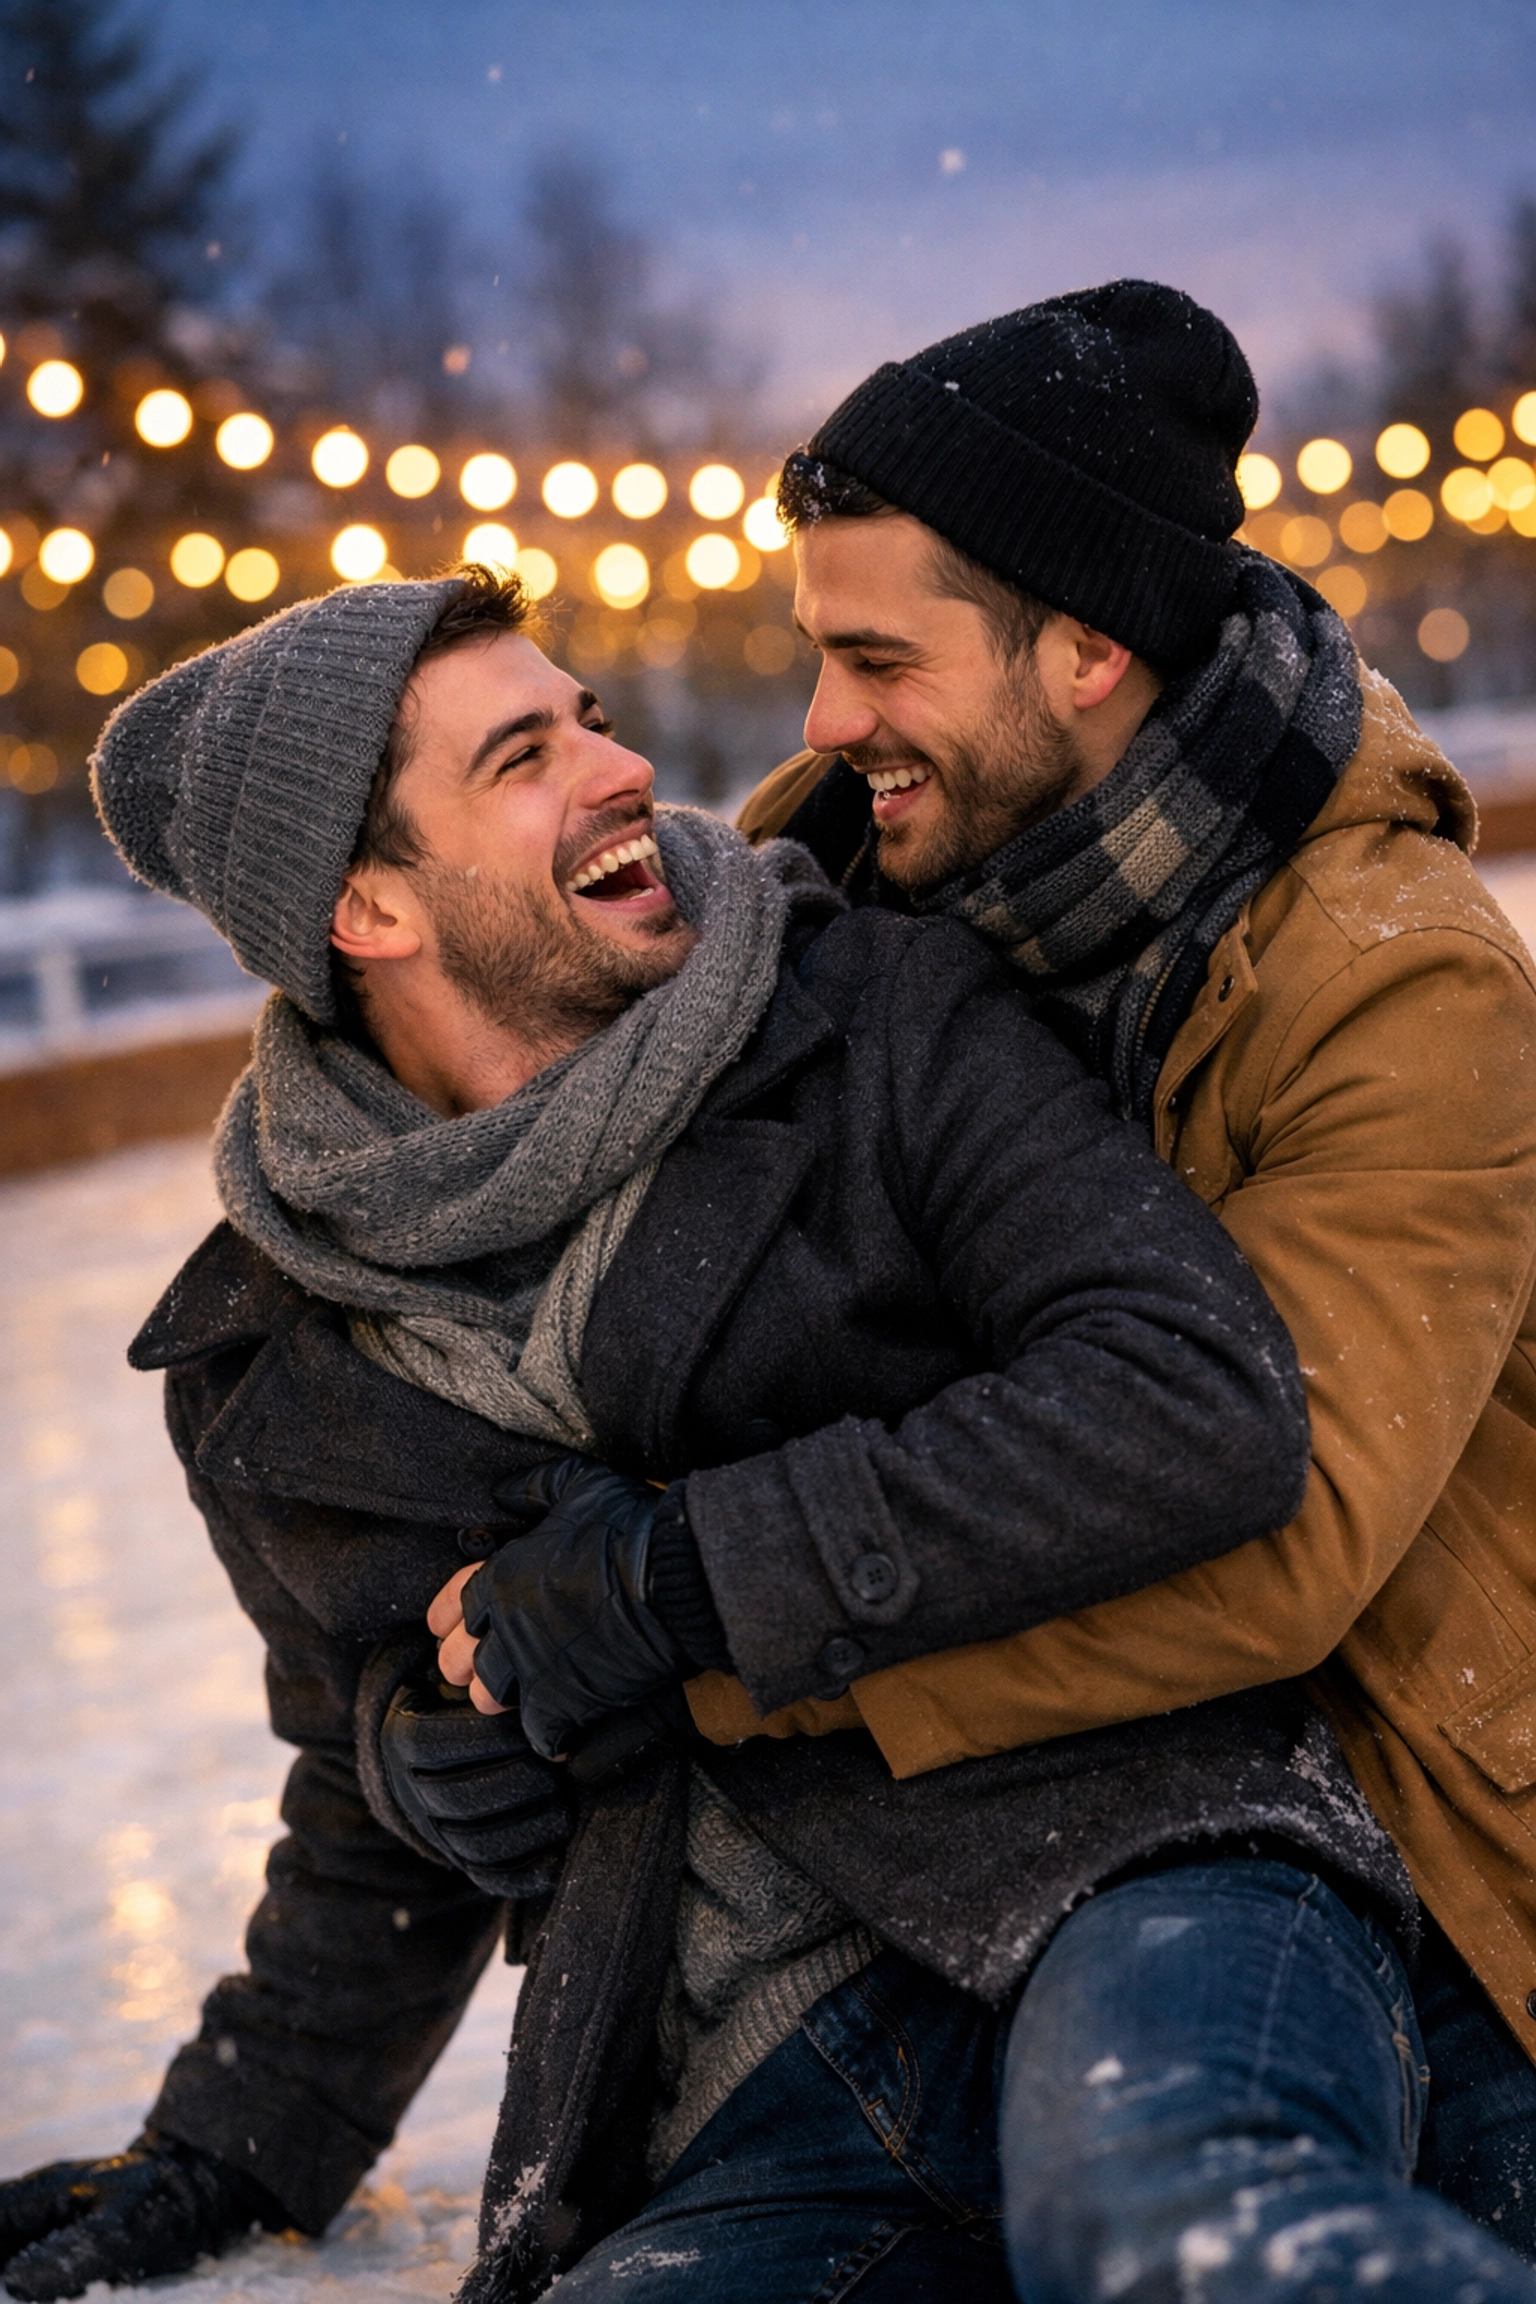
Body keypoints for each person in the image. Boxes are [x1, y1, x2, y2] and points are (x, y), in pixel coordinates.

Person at [0, 565, 1516, 2304]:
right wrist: (244, 2125)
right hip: (744, 2067)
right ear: (366, 912)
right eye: (520, 758)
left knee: (1187, 2245)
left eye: (589, 716)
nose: (618, 766)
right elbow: (366, 1770)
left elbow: (1182, 1390)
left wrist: (684, 1575)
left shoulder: (872, 1015)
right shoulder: (278, 1349)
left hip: (1128, 1871)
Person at [736, 279, 1536, 2274]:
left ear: (1087, 647)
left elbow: (1279, 1541)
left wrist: (718, 1661)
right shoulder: (832, 888)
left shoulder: (1394, 978)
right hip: (1002, 1823)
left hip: (1403, 1807)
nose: (824, 724)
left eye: (873, 659)